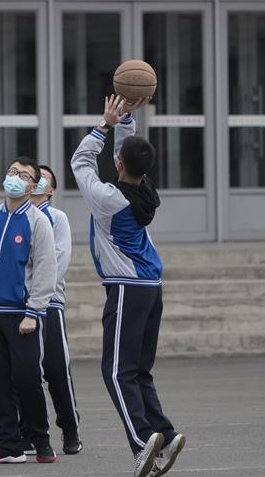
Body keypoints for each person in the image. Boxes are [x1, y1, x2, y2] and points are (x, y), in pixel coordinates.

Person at [70, 95, 186, 477]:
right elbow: (128, 154)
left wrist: (104, 125)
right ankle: (165, 437)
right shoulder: (145, 190)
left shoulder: (109, 198)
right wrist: (125, 120)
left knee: (117, 372)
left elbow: (81, 162)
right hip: (151, 286)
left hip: (126, 287)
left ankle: (142, 443)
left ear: (120, 164)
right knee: (139, 371)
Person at [0, 157, 58, 465]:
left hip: (21, 317)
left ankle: (40, 440)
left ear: (33, 186)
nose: (15, 177)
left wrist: (33, 312)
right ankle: (8, 445)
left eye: (23, 175)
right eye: (11, 172)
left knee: (28, 379)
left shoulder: (37, 222)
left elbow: (46, 269)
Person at [26, 164, 82, 455]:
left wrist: (37, 290)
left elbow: (58, 262)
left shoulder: (56, 218)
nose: (37, 184)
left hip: (49, 305)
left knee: (57, 370)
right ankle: (30, 433)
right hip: (18, 307)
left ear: (51, 189)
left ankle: (70, 428)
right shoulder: (17, 217)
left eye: (44, 179)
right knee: (24, 373)